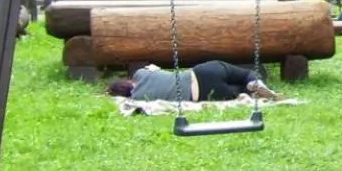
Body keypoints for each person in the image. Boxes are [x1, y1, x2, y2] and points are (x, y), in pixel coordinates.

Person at [108, 62, 282, 103]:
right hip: (200, 73)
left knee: (239, 90)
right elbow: (156, 68)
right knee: (246, 74)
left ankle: (250, 90)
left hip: (201, 94)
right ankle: (255, 82)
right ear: (128, 81)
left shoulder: (139, 99)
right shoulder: (140, 73)